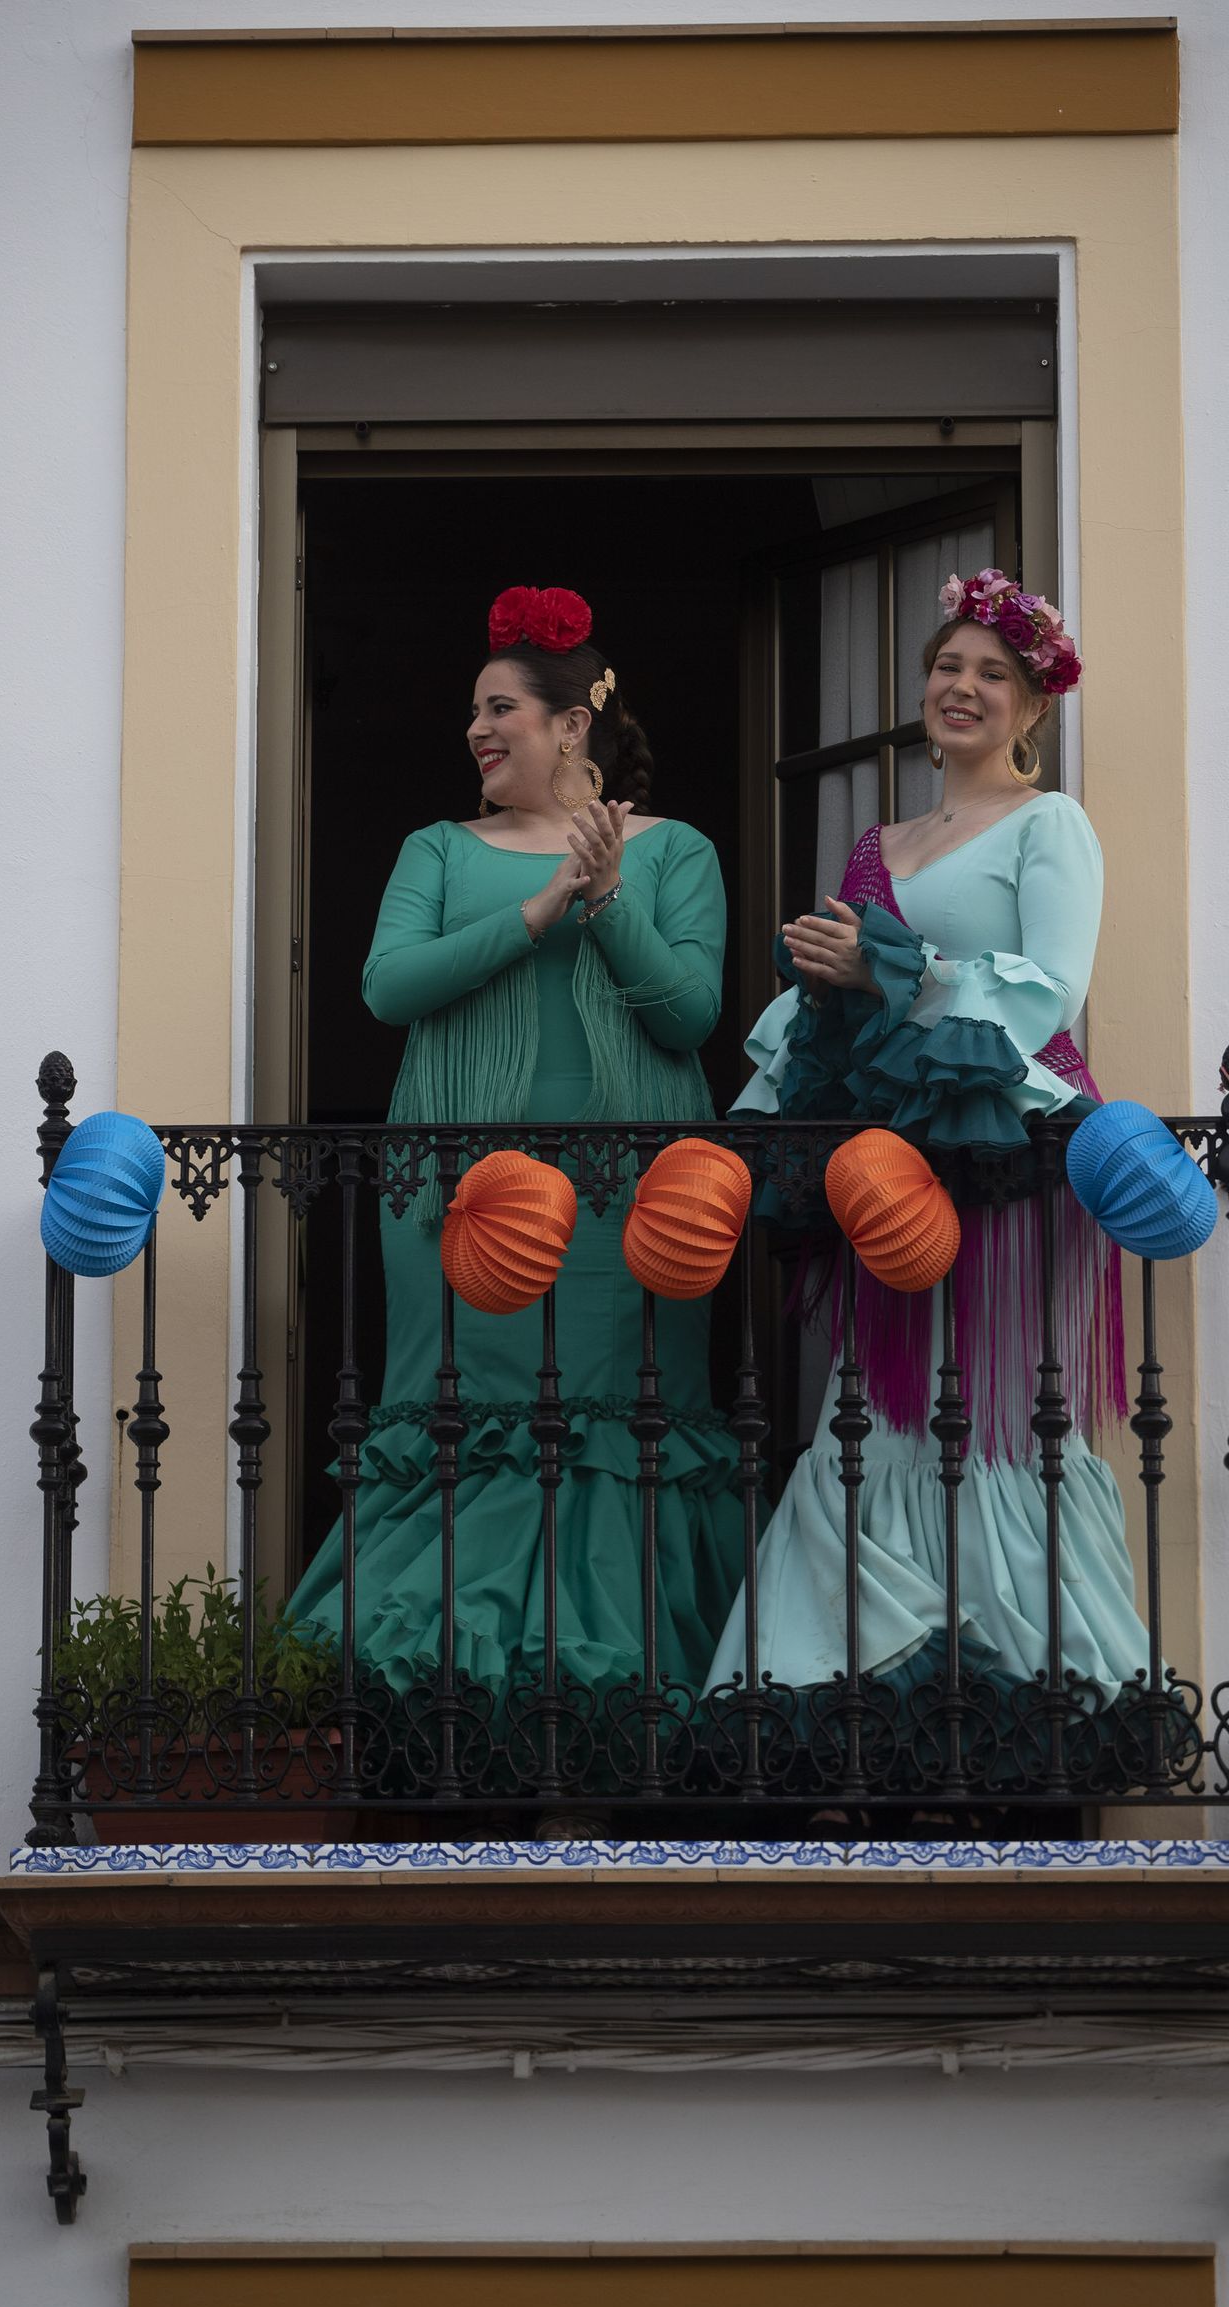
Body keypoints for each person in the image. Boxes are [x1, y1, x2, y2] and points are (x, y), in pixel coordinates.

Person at [705, 572, 1152, 1747]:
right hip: (889, 1160)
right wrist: (818, 1005)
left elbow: (1051, 988)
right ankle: (860, 1700)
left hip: (1009, 1149)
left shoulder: (1050, 824)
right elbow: (841, 1011)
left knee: (997, 1416)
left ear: (1030, 705)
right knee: (880, 1413)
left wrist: (891, 971)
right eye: (946, 667)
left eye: (991, 674)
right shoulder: (878, 841)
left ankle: (1030, 1708)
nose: (962, 688)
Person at [287, 586, 745, 1715]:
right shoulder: (438, 849)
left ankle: (597, 1729)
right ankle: (433, 1723)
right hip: (462, 1197)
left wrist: (606, 902)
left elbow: (689, 1016)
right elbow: (389, 987)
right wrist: (539, 909)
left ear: (571, 723)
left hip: (633, 1202)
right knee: (461, 1430)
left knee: (612, 1436)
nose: (477, 731)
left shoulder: (675, 850)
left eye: (500, 710)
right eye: (474, 715)